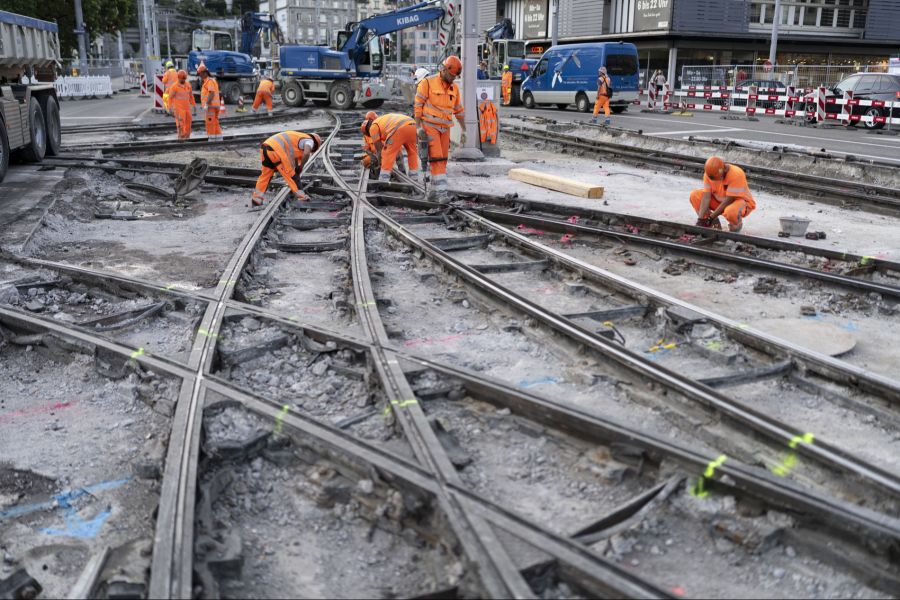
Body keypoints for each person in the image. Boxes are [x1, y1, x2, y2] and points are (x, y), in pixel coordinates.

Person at [414, 55, 465, 201]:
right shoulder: (427, 83)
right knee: (436, 158)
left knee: (443, 160)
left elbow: (459, 110)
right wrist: (418, 127)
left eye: (455, 76)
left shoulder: (454, 88)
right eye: (452, 75)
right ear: (444, 70)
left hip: (445, 128)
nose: (453, 79)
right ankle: (441, 194)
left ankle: (434, 192)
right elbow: (418, 105)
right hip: (430, 126)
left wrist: (464, 129)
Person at [252, 131, 322, 206]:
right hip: (276, 150)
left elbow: (294, 158)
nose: (311, 150)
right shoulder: (310, 141)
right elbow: (307, 153)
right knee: (291, 175)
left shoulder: (297, 138)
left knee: (265, 176)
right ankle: (302, 197)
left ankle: (256, 199)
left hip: (265, 148)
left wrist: (297, 167)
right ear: (315, 145)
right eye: (313, 149)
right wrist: (301, 166)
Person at [690, 156, 756, 233]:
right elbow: (706, 197)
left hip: (740, 202)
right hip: (720, 201)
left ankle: (736, 224)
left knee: (731, 212)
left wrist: (711, 217)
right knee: (694, 195)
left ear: (724, 169)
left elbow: (729, 200)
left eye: (718, 178)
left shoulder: (736, 174)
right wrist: (701, 220)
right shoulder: (709, 173)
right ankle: (713, 225)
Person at [362, 112, 420, 183]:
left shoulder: (373, 127)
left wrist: (380, 164)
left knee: (387, 153)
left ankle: (383, 180)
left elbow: (380, 151)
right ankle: (414, 178)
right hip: (413, 125)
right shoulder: (382, 120)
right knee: (412, 153)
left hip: (399, 128)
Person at [167, 70, 196, 140]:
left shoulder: (188, 85)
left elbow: (191, 96)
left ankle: (187, 138)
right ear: (178, 78)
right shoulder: (174, 87)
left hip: (187, 109)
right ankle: (181, 139)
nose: (183, 80)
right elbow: (170, 98)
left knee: (188, 124)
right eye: (182, 79)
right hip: (178, 109)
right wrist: (169, 108)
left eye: (184, 79)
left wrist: (194, 105)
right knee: (181, 125)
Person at [198, 64, 223, 141]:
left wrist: (206, 104)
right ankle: (218, 138)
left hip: (211, 106)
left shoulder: (209, 81)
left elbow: (211, 93)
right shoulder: (209, 81)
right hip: (214, 106)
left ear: (205, 73)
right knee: (215, 122)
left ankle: (212, 139)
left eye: (200, 74)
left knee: (210, 122)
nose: (200, 76)